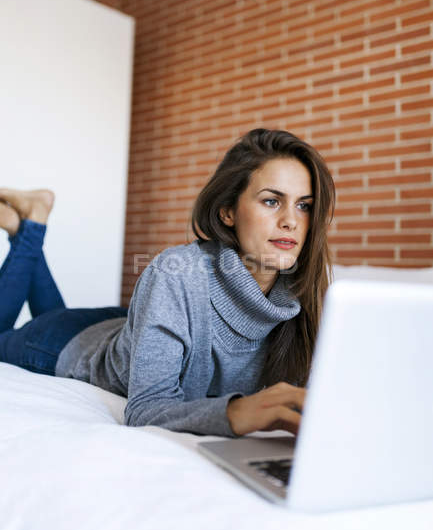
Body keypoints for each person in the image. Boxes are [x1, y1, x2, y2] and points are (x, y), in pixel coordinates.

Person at [0, 128, 335, 437]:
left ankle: (27, 225)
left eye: (304, 206)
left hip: (122, 326)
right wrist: (235, 412)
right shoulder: (175, 273)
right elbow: (146, 409)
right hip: (67, 344)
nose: (291, 220)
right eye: (271, 201)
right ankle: (30, 228)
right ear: (227, 212)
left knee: (53, 314)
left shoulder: (306, 290)